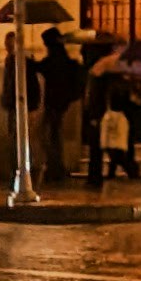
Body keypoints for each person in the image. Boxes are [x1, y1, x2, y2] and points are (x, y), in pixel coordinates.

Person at [37, 27, 86, 182]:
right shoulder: (61, 56)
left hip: (55, 103)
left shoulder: (55, 58)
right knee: (52, 136)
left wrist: (29, 62)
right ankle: (56, 167)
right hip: (59, 103)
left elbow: (46, 67)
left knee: (51, 136)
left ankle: (55, 168)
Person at [95, 96, 139, 183]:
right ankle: (129, 173)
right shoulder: (121, 117)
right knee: (117, 159)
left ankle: (130, 173)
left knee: (117, 159)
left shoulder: (111, 116)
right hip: (117, 142)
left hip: (113, 142)